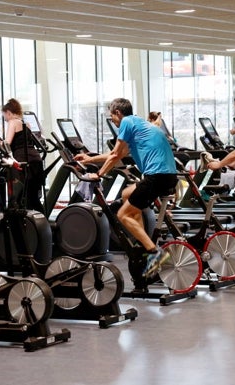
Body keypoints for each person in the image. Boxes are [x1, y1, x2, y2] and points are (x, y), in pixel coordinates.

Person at [74, 98, 177, 292]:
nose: (112, 120)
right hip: (167, 176)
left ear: (118, 113)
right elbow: (118, 153)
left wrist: (98, 174)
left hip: (156, 177)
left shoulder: (127, 122)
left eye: (112, 116)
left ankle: (154, 253)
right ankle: (141, 241)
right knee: (127, 192)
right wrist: (90, 158)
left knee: (122, 215)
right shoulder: (138, 124)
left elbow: (114, 156)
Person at [2, 98, 45, 213]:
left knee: (19, 197)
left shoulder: (12, 122)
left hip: (22, 161)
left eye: (4, 116)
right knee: (33, 198)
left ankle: (19, 224)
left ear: (8, 113)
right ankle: (42, 224)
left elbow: (7, 143)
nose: (5, 119)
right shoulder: (27, 124)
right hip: (36, 160)